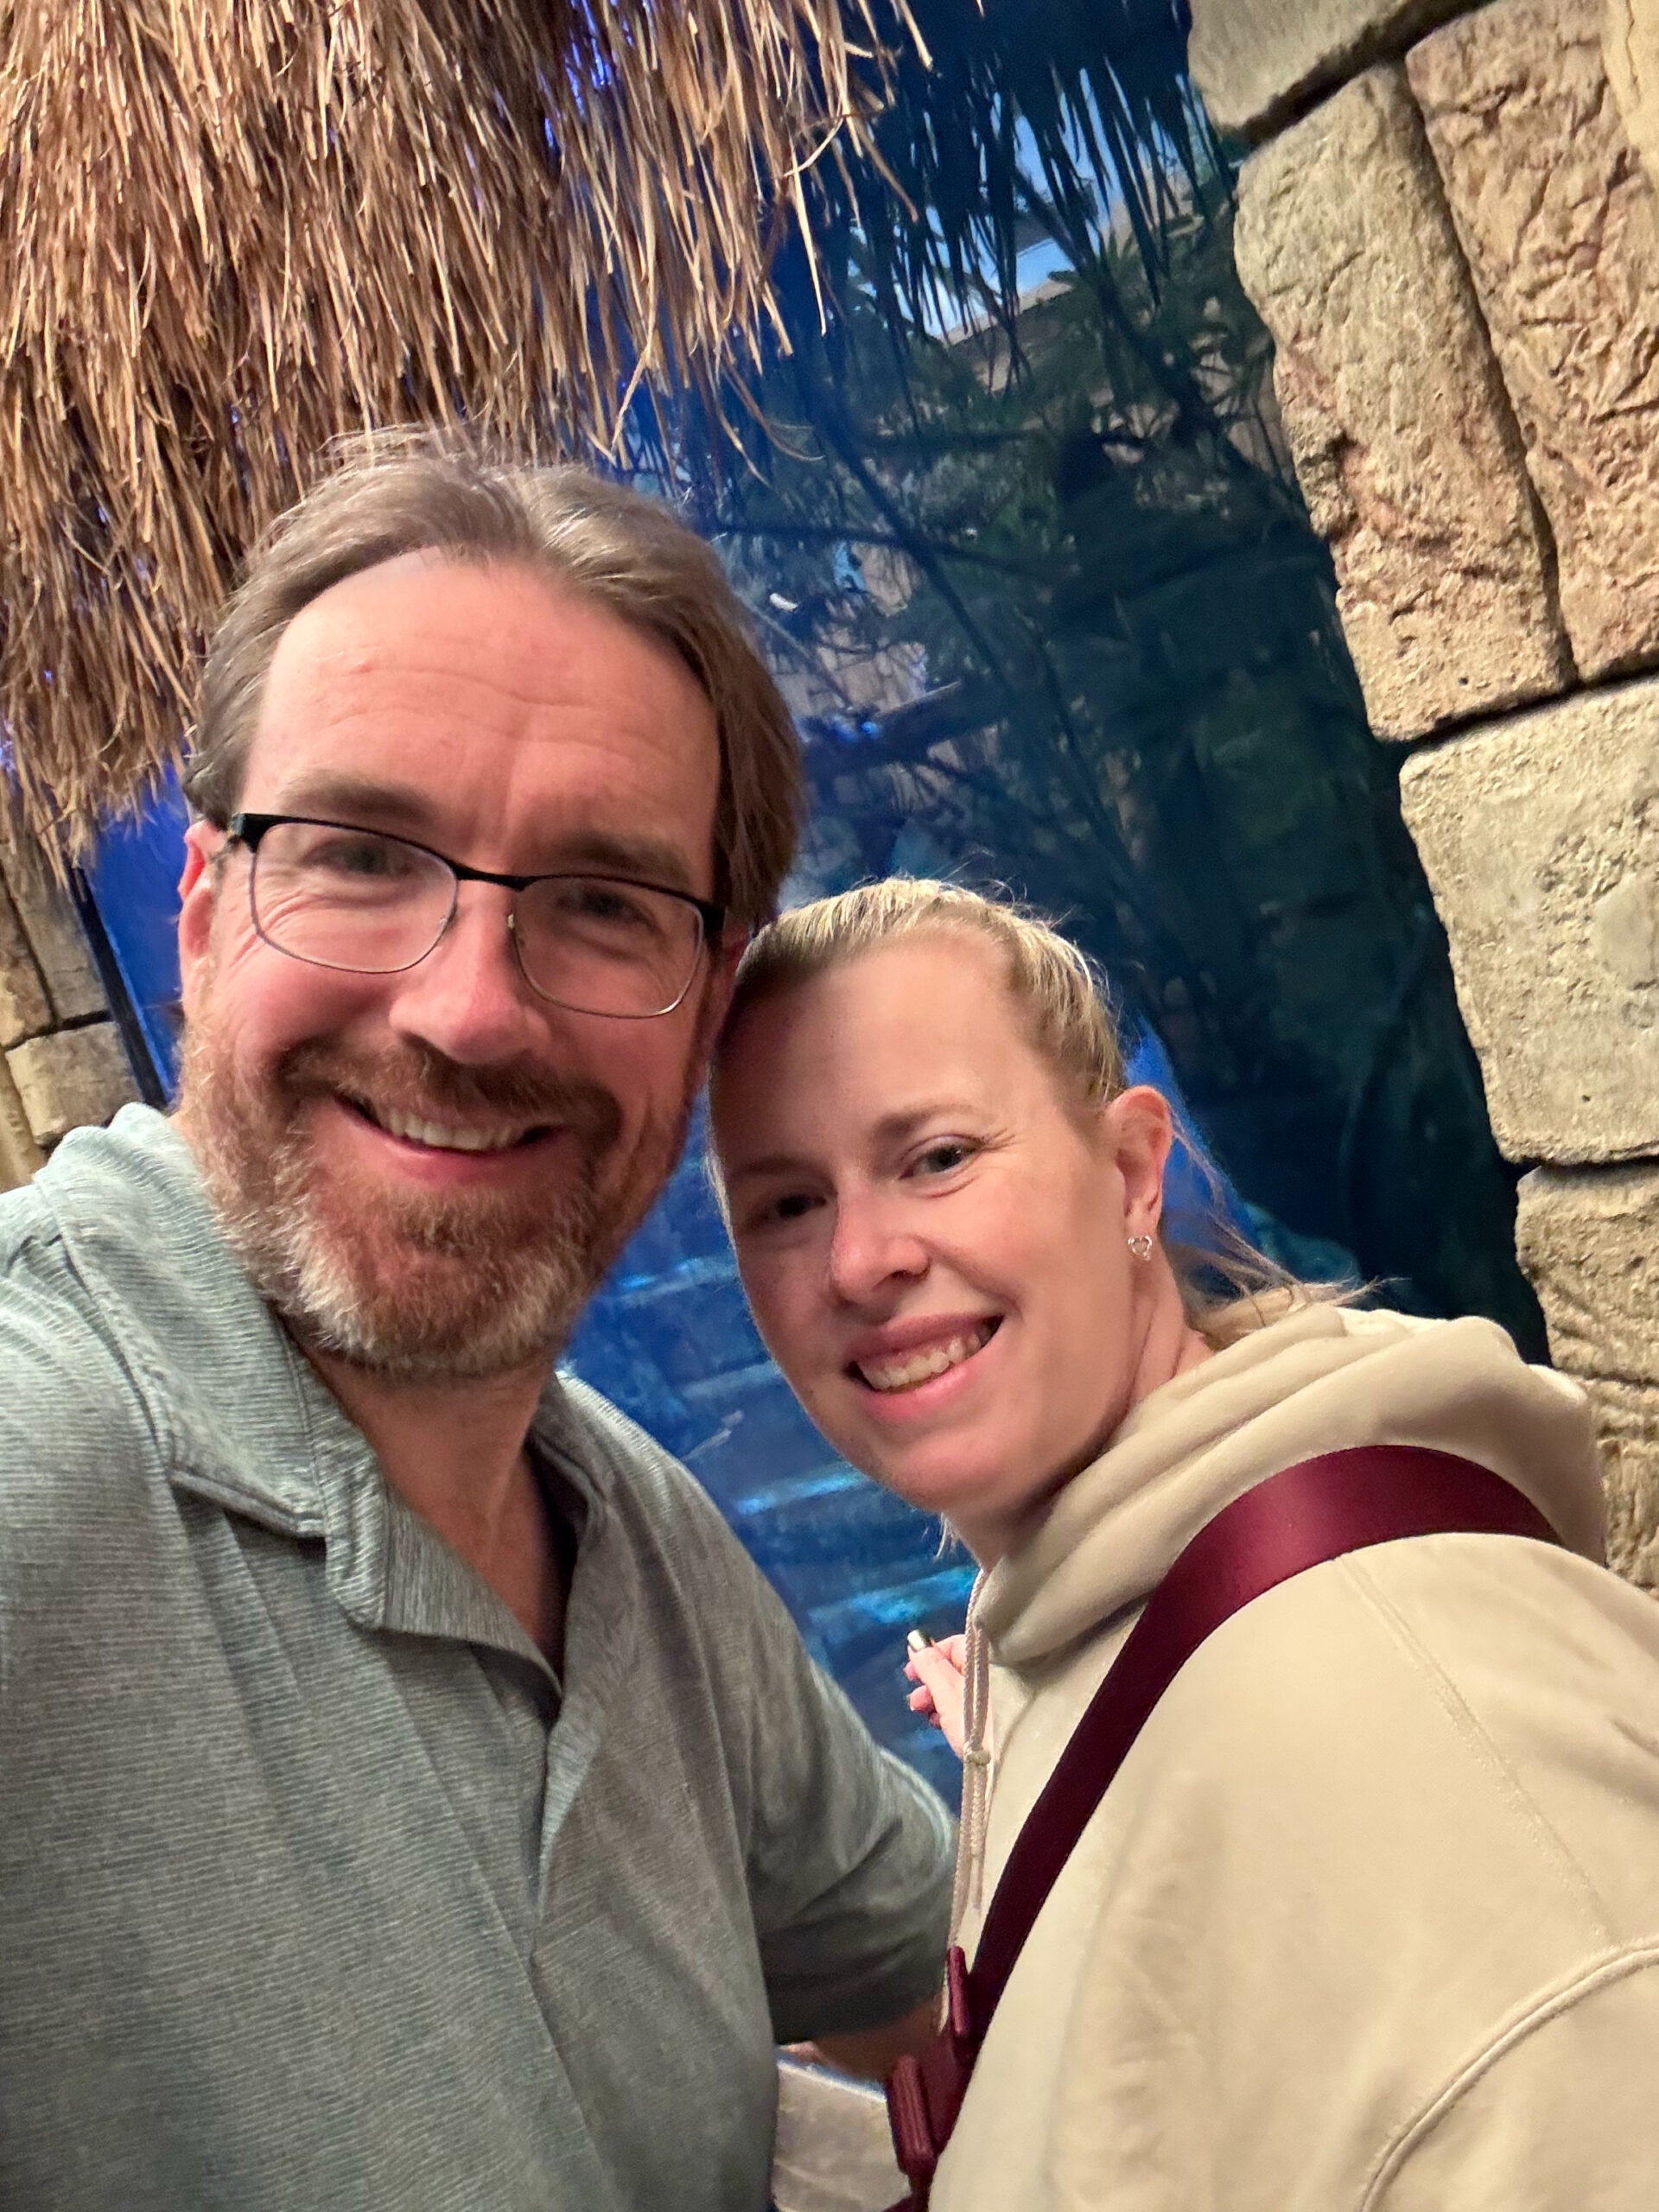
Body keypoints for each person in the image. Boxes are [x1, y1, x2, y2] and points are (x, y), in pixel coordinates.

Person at [0, 441, 955, 2212]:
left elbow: (949, 1987)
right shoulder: (40, 1453)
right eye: (362, 852)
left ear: (707, 1010)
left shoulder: (633, 1533)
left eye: (601, 902)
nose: (466, 1009)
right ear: (205, 919)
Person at [708, 877, 1659, 2211]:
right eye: (786, 1205)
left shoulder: (1396, 1708)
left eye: (936, 1157)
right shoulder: (1085, 1618)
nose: (861, 1259)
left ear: (1132, 1171)